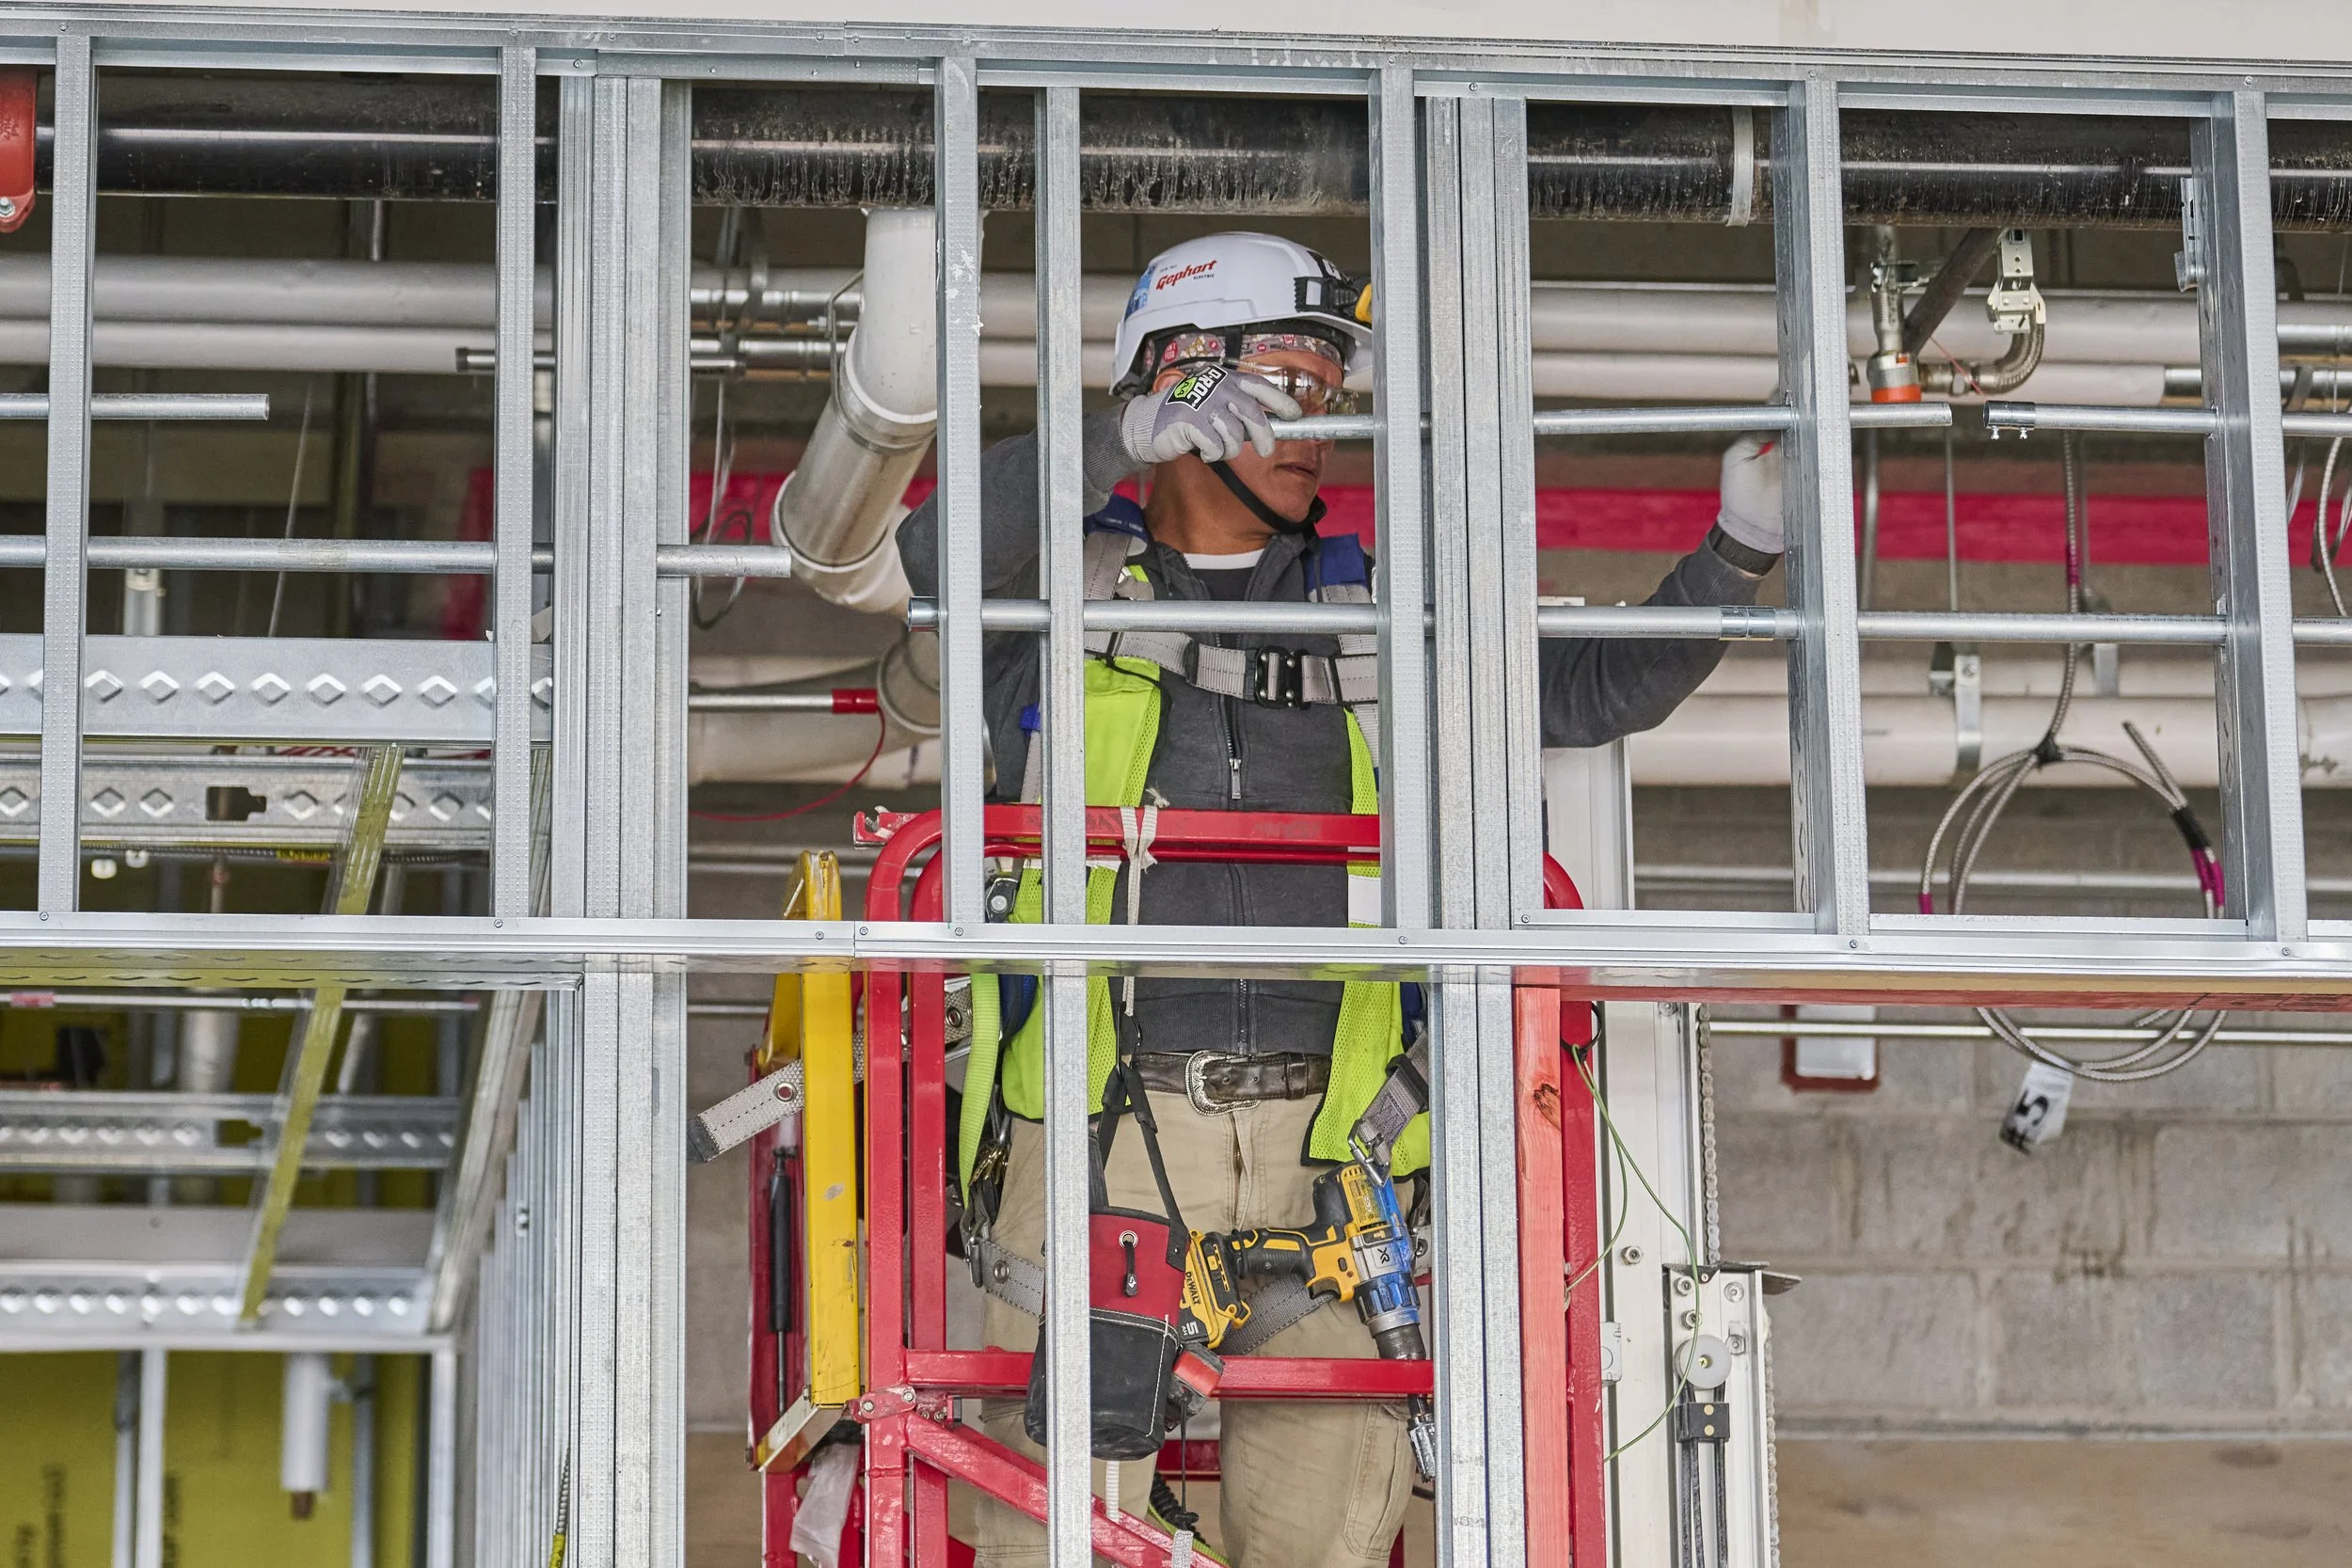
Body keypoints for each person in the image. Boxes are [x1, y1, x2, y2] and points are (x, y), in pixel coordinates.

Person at [898, 231, 1783, 1568]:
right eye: (1283, 386)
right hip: (1100, 1134)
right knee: (1054, 1542)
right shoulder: (1054, 593)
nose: (1314, 424)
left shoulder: (1381, 613)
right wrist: (1110, 441)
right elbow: (914, 553)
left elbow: (1592, 690)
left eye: (1327, 392)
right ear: (1179, 383)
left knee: (1328, 1524)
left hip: (1336, 1156)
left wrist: (1737, 558)